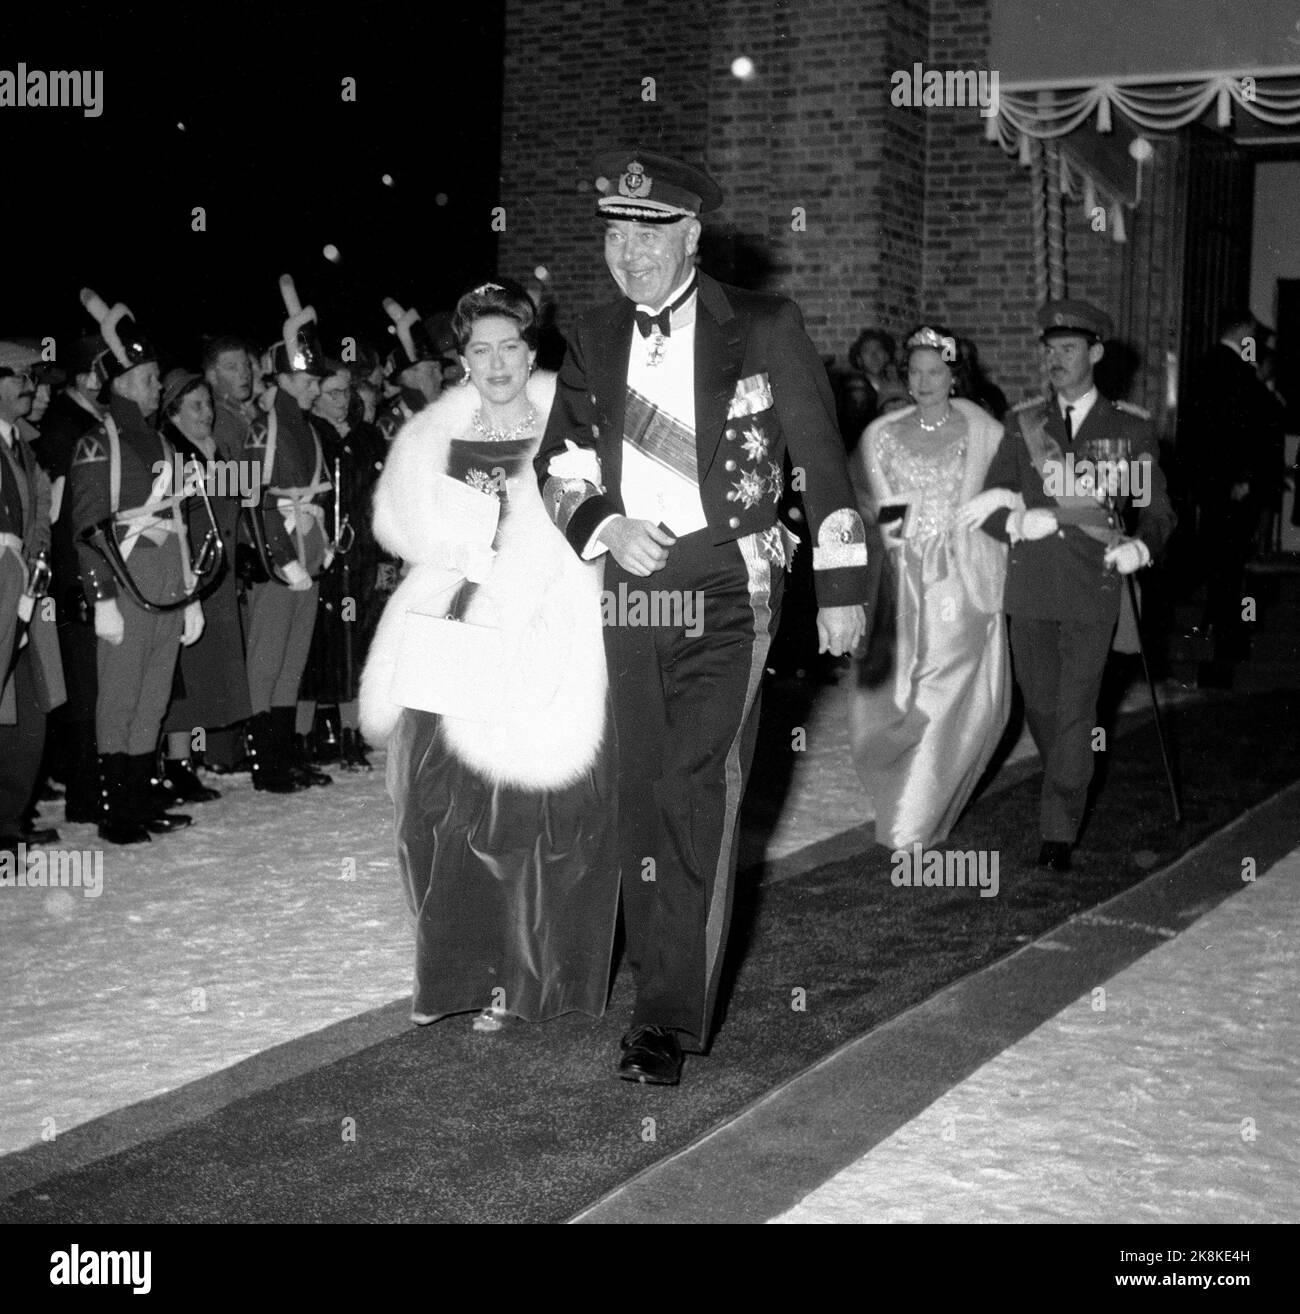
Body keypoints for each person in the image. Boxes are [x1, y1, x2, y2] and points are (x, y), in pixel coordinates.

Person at [535, 148, 870, 1086]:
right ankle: (656, 964)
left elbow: (820, 461)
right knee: (642, 789)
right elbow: (559, 463)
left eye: (648, 234)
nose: (629, 253)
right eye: (614, 233)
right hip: (637, 583)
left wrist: (842, 590)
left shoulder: (762, 324)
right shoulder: (594, 338)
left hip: (732, 585)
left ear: (689, 235)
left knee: (695, 782)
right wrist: (603, 524)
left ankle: (664, 1019)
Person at [360, 279, 616, 1033]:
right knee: (434, 804)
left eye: (511, 347)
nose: (497, 362)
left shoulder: (572, 424)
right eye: (481, 350)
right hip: (456, 623)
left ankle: (528, 974)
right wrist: (459, 549)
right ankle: (461, 970)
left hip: (548, 624)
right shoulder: (431, 435)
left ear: (531, 352)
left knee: (534, 813)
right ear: (461, 360)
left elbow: (600, 527)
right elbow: (402, 525)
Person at [974, 300, 1175, 872]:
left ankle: (1057, 829)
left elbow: (1159, 511)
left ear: (1095, 353)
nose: (1054, 360)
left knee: (1076, 711)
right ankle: (1064, 776)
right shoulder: (1024, 424)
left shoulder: (1129, 429)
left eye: (1067, 349)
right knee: (1042, 706)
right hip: (1032, 588)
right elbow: (987, 504)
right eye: (1048, 349)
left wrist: (1143, 545)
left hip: (1095, 587)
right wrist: (1012, 521)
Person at [850, 326, 1028, 850]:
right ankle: (904, 796)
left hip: (963, 576)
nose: (924, 382)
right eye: (915, 372)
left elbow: (1013, 488)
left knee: (943, 688)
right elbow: (865, 499)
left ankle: (917, 819)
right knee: (897, 693)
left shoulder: (983, 429)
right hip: (902, 578)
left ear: (955, 376)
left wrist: (1006, 508)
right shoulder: (881, 432)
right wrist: (898, 538)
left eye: (936, 372)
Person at [70, 293, 203, 843]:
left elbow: (180, 520)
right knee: (121, 697)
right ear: (121, 383)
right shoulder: (97, 444)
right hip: (127, 579)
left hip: (169, 576)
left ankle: (141, 797)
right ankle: (116, 809)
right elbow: (86, 526)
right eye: (148, 378)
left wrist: (192, 591)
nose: (156, 388)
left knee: (153, 694)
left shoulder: (164, 446)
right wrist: (101, 599)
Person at [240, 278, 333, 792]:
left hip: (307, 553)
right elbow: (253, 500)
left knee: (293, 660)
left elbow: (312, 494)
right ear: (286, 377)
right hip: (280, 562)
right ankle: (266, 763)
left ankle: (286, 753)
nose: (316, 387)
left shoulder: (304, 426)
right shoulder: (264, 429)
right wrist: (281, 558)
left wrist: (321, 546)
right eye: (309, 380)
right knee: (267, 660)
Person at [155, 369, 251, 804]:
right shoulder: (172, 455)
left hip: (220, 574)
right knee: (186, 680)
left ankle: (190, 761)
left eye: (209, 403)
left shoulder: (216, 452)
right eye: (195, 405)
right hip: (190, 573)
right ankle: (178, 764)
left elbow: (244, 500)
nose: (207, 412)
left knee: (207, 678)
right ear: (172, 412)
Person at [28, 335, 105, 823]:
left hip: (90, 566)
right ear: (86, 376)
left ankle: (94, 785)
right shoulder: (63, 429)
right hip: (69, 573)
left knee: (94, 680)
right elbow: (58, 518)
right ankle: (82, 791)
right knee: (78, 684)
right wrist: (73, 580)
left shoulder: (89, 423)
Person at [0, 343, 66, 855]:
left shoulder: (21, 443)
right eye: (18, 375)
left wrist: (37, 555)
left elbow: (39, 507)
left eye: (31, 375)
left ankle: (9, 820)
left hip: (23, 579)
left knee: (29, 704)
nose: (30, 385)